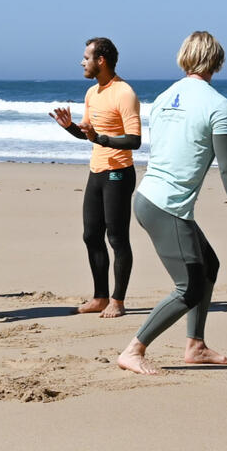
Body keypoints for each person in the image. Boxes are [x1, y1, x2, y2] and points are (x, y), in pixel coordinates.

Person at [116, 31, 227, 374]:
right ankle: (133, 350)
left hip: (149, 196)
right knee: (189, 285)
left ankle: (195, 345)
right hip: (168, 207)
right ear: (217, 61)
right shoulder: (217, 105)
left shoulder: (165, 97)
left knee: (208, 266)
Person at [49, 37, 142, 318]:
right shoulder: (92, 93)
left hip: (119, 173)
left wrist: (100, 138)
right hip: (97, 172)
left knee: (117, 238)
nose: (82, 62)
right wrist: (70, 128)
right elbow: (88, 133)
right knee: (91, 235)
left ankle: (118, 301)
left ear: (100, 60)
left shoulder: (124, 93)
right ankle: (100, 297)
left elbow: (134, 140)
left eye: (86, 57)